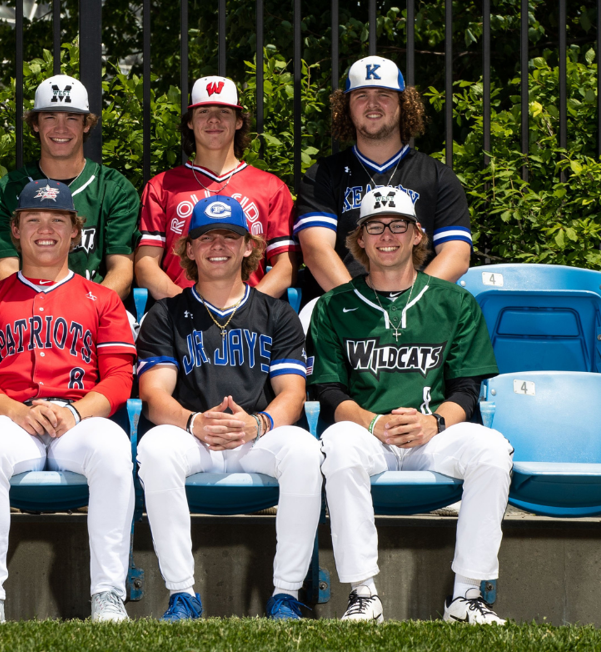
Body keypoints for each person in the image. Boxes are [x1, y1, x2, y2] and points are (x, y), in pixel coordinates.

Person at [307, 186, 509, 625]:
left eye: (398, 225)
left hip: (433, 435)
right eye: (374, 226)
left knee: (492, 451)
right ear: (358, 239)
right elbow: (328, 391)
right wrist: (372, 421)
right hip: (366, 435)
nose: (386, 235)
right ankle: (363, 595)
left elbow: (466, 388)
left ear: (418, 234)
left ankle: (467, 597)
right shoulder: (333, 306)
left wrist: (434, 423)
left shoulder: (454, 302)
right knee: (337, 446)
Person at [0, 179, 137, 623]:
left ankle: (108, 594)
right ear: (15, 230)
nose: (45, 229)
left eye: (57, 219)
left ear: (75, 231)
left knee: (114, 449)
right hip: (13, 418)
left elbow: (119, 378)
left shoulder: (104, 299)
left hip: (79, 418)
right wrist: (16, 412)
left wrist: (76, 411)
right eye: (32, 219)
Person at [134, 195, 319, 621]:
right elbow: (154, 393)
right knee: (155, 448)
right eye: (206, 237)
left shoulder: (276, 313)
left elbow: (292, 391)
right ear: (189, 249)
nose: (218, 245)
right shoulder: (165, 314)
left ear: (249, 246)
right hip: (192, 436)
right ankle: (183, 594)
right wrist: (194, 421)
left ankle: (286, 594)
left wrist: (259, 423)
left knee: (306, 451)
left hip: (256, 437)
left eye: (230, 236)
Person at [294, 56, 472, 303]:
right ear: (346, 107)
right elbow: (316, 251)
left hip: (420, 306)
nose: (372, 104)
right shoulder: (323, 174)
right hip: (343, 306)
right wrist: (362, 305)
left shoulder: (437, 175)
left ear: (404, 104)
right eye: (361, 96)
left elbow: (457, 254)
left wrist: (411, 304)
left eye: (384, 95)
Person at [136, 76, 298, 301]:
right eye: (203, 112)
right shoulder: (161, 186)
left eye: (224, 111)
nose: (213, 119)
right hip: (180, 318)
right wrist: (185, 307)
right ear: (190, 122)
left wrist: (248, 308)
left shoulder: (271, 187)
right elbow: (146, 265)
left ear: (239, 121)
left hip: (250, 322)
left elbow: (286, 265)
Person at [0, 74, 139, 297]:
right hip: (26, 313)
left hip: (94, 313)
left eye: (72, 118)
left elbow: (121, 272)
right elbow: (5, 270)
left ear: (86, 125)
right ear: (35, 124)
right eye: (50, 117)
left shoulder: (114, 189)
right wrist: (45, 311)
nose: (61, 128)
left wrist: (81, 311)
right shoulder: (5, 191)